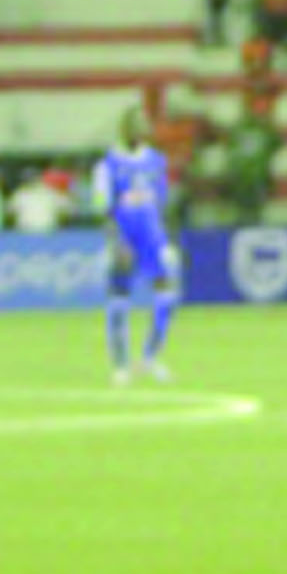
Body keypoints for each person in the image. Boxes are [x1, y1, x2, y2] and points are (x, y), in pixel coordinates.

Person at [90, 107, 180, 383]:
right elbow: (101, 207)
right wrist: (116, 240)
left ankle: (150, 358)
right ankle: (120, 364)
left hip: (152, 236)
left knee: (167, 292)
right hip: (124, 236)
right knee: (120, 295)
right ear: (124, 130)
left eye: (142, 127)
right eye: (134, 127)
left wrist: (166, 239)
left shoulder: (156, 162)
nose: (138, 132)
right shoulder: (107, 165)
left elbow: (162, 202)